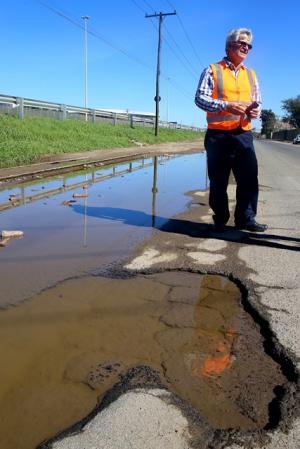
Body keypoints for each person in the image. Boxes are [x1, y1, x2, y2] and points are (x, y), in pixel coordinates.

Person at [195, 28, 268, 232]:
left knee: (249, 179)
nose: (246, 47)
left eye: (249, 45)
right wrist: (225, 105)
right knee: (218, 180)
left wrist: (256, 112)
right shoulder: (212, 70)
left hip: (243, 134)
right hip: (218, 136)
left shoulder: (251, 75)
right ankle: (221, 218)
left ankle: (246, 219)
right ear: (229, 46)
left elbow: (258, 102)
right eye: (242, 43)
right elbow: (200, 98)